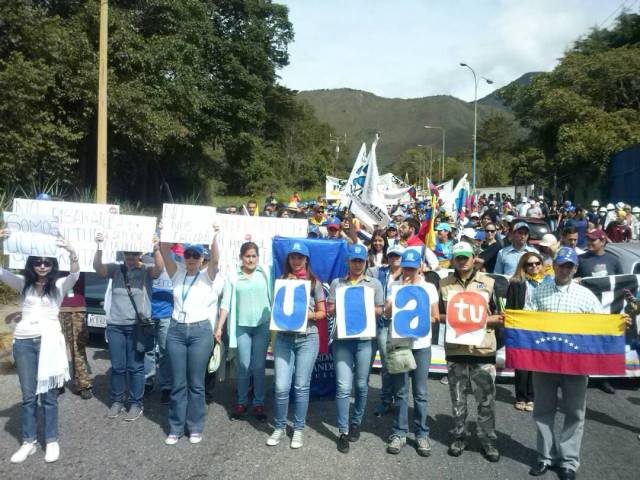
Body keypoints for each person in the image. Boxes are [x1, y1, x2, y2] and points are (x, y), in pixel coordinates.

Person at [524, 247, 630, 480]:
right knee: (542, 411)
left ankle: (569, 462)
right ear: (554, 266)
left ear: (574, 268)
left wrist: (619, 324)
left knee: (574, 413)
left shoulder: (585, 296)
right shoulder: (539, 291)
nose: (565, 269)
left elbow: (602, 325)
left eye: (570, 266)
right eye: (562, 264)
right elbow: (526, 321)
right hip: (545, 363)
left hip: (576, 365)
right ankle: (545, 457)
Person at [0, 231, 78, 464]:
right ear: (31, 264)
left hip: (49, 344)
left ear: (52, 264)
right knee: (28, 396)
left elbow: (75, 273)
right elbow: (1, 272)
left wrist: (72, 251)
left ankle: (51, 440)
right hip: (24, 342)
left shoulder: (60, 284)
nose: (42, 266)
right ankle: (29, 442)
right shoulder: (23, 283)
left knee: (49, 396)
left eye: (46, 262)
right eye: (37, 262)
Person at [440, 242, 504, 462]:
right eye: (458, 257)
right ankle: (459, 435)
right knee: (458, 399)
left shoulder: (489, 283)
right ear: (453, 259)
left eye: (466, 257)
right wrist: (454, 320)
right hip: (456, 350)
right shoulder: (444, 284)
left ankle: (487, 439)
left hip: (482, 350)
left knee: (486, 401)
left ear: (474, 257)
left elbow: (501, 317)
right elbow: (438, 316)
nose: (462, 261)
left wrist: (477, 321)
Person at [159, 227, 222, 445]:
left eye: (196, 255)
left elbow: (215, 260)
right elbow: (164, 251)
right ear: (184, 257)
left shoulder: (208, 276)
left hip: (200, 332)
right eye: (189, 255)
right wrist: (166, 229)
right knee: (178, 382)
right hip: (176, 330)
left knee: (196, 383)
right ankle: (175, 427)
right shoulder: (177, 272)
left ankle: (195, 426)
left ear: (201, 257)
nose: (192, 258)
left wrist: (213, 236)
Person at [93, 234, 163, 422]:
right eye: (127, 253)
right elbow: (97, 268)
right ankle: (116, 401)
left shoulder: (146, 271)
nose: (130, 256)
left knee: (135, 367)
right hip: (115, 326)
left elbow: (160, 269)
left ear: (140, 253)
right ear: (123, 253)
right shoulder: (115, 270)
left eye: (134, 253)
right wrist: (99, 246)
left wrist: (156, 248)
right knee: (117, 367)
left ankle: (135, 404)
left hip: (136, 327)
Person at [265, 242, 326, 449]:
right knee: (281, 386)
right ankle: (280, 426)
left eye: (300, 257)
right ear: (288, 259)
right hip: (284, 338)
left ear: (306, 260)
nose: (296, 260)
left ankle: (298, 428)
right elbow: (276, 310)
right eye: (293, 257)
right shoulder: (280, 280)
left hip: (308, 337)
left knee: (301, 386)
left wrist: (306, 315)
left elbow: (322, 313)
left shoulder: (314, 283)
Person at [328, 244, 384, 454]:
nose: (357, 264)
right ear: (348, 262)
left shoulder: (375, 284)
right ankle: (343, 431)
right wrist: (341, 307)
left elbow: (379, 311)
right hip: (342, 340)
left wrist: (360, 305)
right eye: (354, 261)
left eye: (361, 261)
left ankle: (356, 422)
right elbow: (331, 309)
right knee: (343, 386)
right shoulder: (337, 283)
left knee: (361, 384)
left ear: (366, 262)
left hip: (365, 340)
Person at [383, 249, 440, 456]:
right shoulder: (396, 286)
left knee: (421, 392)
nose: (408, 271)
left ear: (420, 267)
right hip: (400, 344)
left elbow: (436, 317)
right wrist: (398, 296)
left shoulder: (429, 287)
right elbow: (386, 313)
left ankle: (421, 434)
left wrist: (420, 316)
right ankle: (399, 432)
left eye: (412, 268)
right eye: (405, 267)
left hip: (421, 345)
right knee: (400, 391)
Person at [215, 242, 272, 421]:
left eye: (254, 256)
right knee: (243, 366)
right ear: (241, 257)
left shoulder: (266, 273)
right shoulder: (233, 276)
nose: (251, 259)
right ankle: (241, 403)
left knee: (258, 366)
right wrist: (219, 326)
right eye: (247, 256)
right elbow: (225, 303)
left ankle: (258, 404)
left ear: (258, 257)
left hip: (262, 325)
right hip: (242, 327)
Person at [505, 252, 551, 412]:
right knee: (522, 365)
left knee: (536, 364)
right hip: (521, 327)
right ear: (523, 266)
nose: (534, 267)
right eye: (530, 264)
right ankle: (520, 396)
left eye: (537, 263)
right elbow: (510, 307)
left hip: (541, 327)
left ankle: (531, 397)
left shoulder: (548, 282)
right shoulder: (516, 282)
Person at [368, 244, 405, 417]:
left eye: (398, 255)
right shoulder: (380, 272)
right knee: (386, 363)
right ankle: (386, 400)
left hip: (399, 323)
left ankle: (398, 400)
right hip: (381, 321)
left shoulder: (410, 274)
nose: (394, 258)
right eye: (392, 255)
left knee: (397, 363)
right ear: (387, 257)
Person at [58, 272, 92, 399]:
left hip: (78, 308)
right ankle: (57, 382)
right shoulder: (49, 262)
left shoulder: (80, 257)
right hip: (56, 307)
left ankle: (83, 385)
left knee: (78, 347)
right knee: (56, 348)